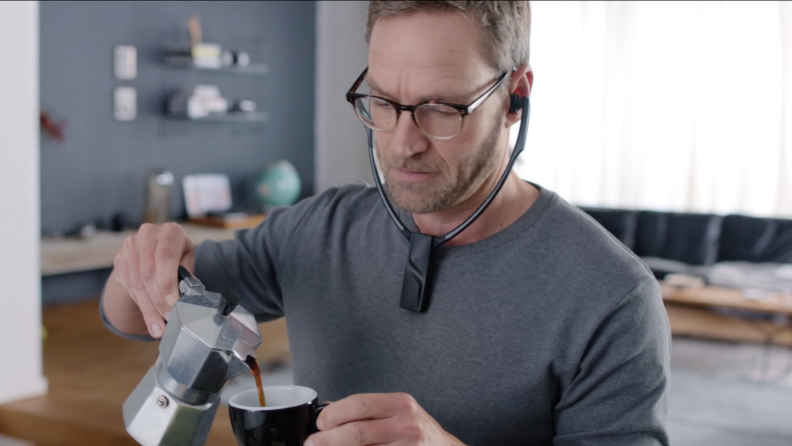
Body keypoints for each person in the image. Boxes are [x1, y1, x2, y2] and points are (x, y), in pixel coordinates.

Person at [101, 2, 671, 445]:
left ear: (515, 97)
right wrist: (142, 268)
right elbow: (127, 317)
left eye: (441, 107)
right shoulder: (318, 229)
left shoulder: (611, 297)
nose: (401, 143)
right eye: (382, 100)